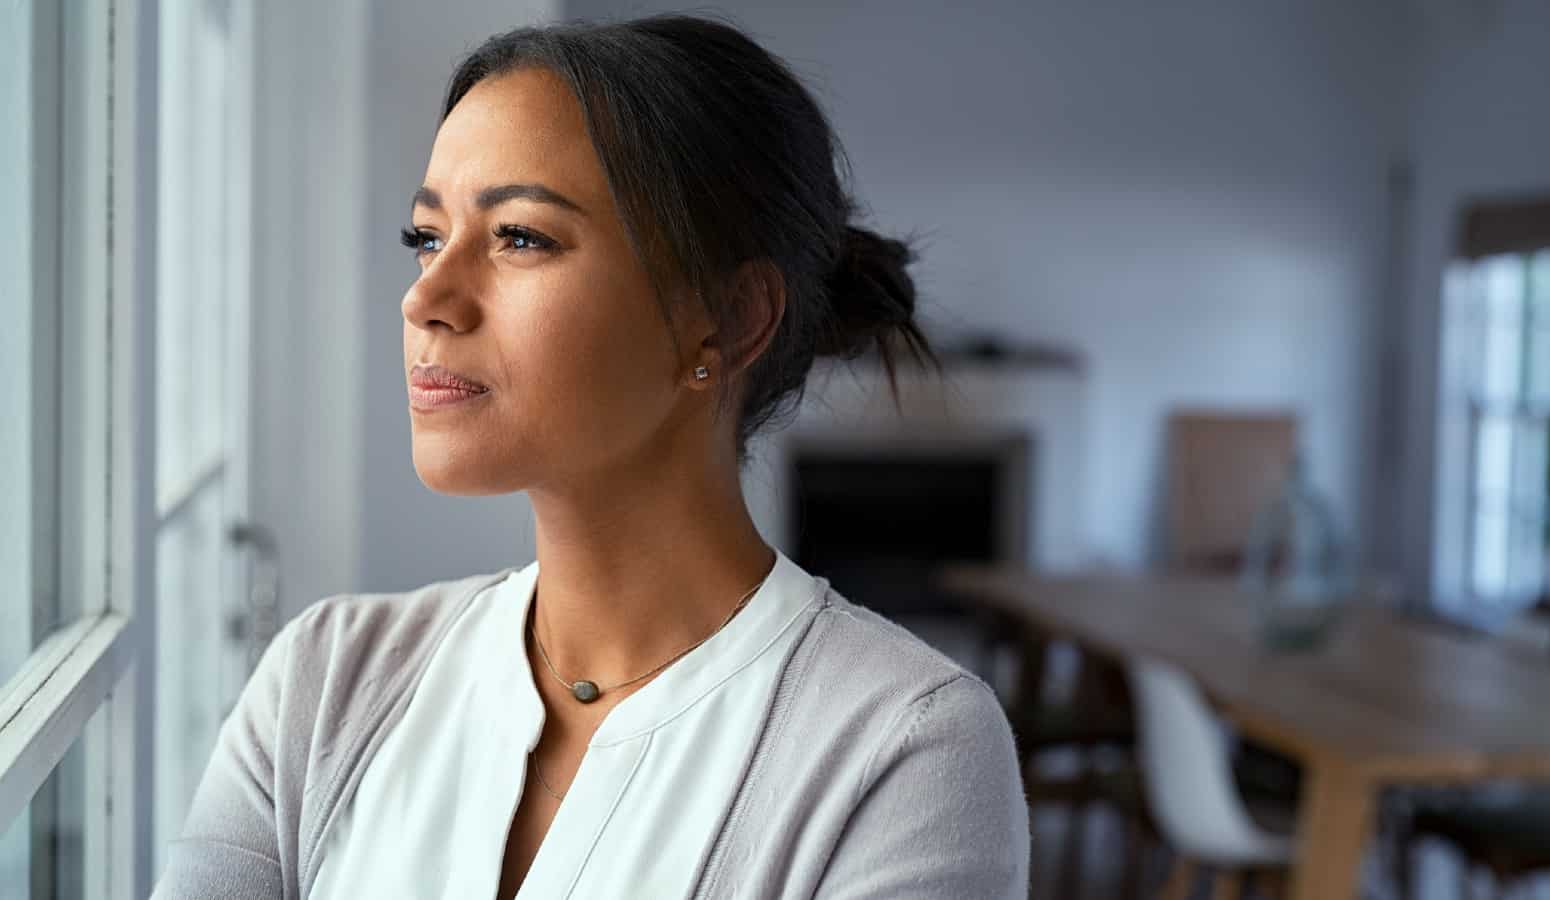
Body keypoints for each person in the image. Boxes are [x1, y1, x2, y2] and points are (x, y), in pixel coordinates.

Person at [154, 13, 1029, 899]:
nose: (429, 297)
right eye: (427, 237)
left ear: (727, 320)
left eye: (520, 237)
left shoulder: (905, 752)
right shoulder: (325, 680)